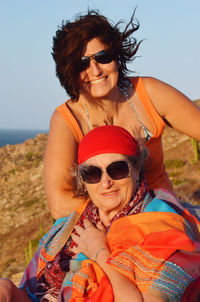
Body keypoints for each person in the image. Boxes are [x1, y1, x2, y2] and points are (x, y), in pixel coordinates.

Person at [1, 125, 200, 301]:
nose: (105, 183)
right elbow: (31, 286)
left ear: (137, 168)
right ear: (83, 180)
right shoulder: (71, 224)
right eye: (93, 173)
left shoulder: (160, 225)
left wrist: (99, 251)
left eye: (118, 169)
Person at [44, 9, 200, 220]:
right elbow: (58, 202)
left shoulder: (149, 93)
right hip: (104, 228)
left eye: (103, 57)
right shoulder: (67, 119)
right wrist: (116, 214)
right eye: (82, 63)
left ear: (117, 58)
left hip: (164, 218)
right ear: (69, 72)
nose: (95, 70)